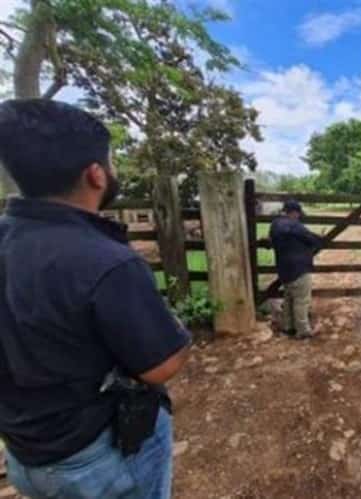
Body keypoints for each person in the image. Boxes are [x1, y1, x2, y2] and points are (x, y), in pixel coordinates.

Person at [0, 99, 191, 499]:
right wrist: (174, 327)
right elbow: (161, 365)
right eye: (112, 161)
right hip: (99, 456)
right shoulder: (105, 261)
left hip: (25, 452)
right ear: (96, 174)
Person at [269, 200, 323, 339]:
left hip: (283, 269)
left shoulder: (275, 225)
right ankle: (303, 330)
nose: (299, 217)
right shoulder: (295, 226)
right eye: (298, 214)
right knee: (301, 300)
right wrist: (319, 238)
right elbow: (311, 239)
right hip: (299, 268)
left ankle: (288, 327)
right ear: (294, 212)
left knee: (288, 298)